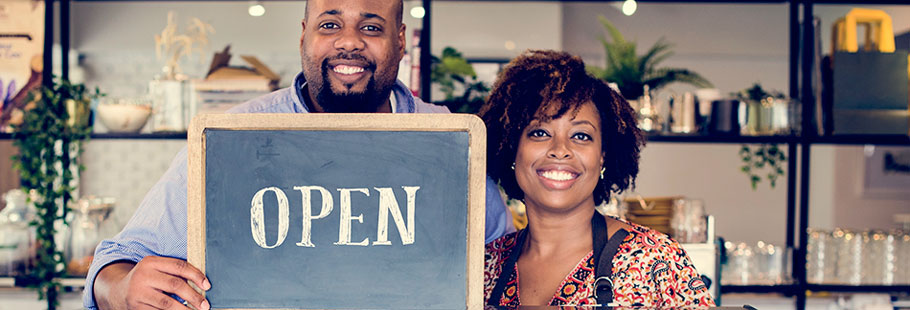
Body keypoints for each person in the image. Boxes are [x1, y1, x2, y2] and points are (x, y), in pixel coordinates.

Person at [84, 1, 514, 309]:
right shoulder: (232, 138)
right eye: (329, 25)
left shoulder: (451, 143)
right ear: (303, 33)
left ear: (400, 40)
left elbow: (509, 266)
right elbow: (114, 262)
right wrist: (122, 291)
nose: (349, 43)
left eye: (370, 27)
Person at [480, 50, 715, 307]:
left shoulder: (655, 262)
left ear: (603, 156)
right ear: (511, 148)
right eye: (539, 132)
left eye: (581, 136)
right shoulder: (484, 266)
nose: (560, 149)